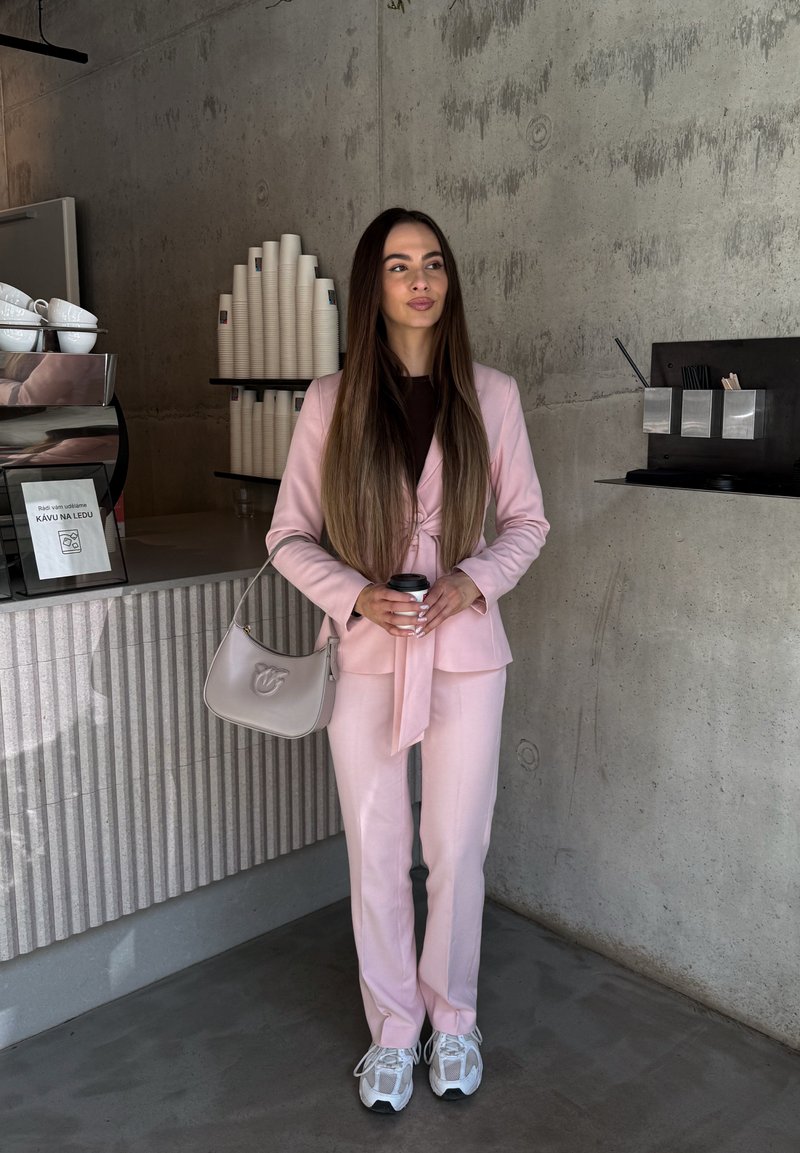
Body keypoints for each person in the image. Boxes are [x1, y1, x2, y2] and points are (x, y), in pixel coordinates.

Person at [266, 207, 549, 1112]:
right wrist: (353, 592)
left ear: (449, 280)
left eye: (432, 263)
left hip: (465, 654)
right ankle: (393, 1028)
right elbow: (287, 534)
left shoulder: (491, 394)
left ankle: (453, 1019)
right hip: (365, 655)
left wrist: (473, 580)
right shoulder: (331, 399)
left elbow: (529, 521)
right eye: (398, 265)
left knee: (457, 847)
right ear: (373, 285)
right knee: (377, 850)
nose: (420, 279)